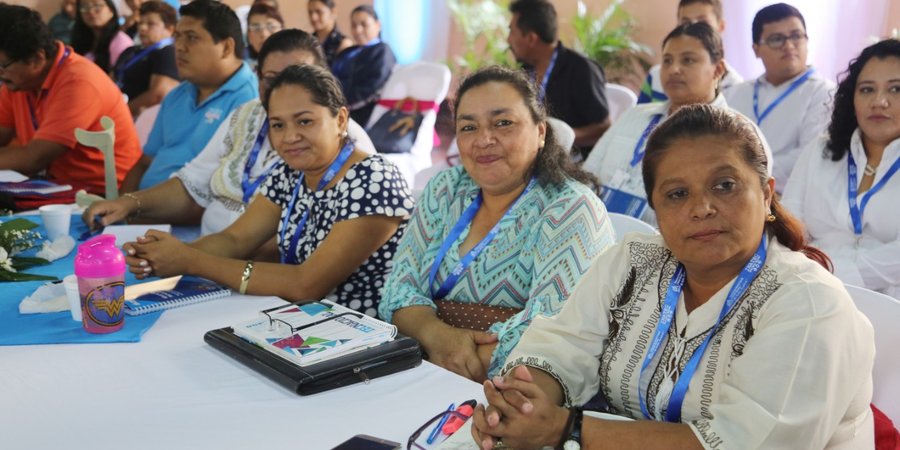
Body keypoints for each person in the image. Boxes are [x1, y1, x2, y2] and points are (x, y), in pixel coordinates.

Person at [472, 104, 875, 450]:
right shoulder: (633, 261)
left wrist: (567, 429)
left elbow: (744, 442)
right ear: (656, 210)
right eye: (677, 194)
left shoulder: (808, 304)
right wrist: (522, 407)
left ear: (767, 194)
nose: (701, 208)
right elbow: (563, 344)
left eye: (725, 185)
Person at [378, 66, 615, 382]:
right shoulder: (445, 189)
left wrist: (448, 359)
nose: (484, 140)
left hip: (515, 391)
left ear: (540, 133)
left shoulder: (570, 208)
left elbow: (551, 331)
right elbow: (397, 289)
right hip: (425, 366)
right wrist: (437, 336)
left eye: (503, 123)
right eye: (468, 127)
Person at [122, 64, 413, 315]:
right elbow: (235, 240)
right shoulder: (291, 172)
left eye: (304, 121)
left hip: (362, 333)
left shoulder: (374, 179)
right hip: (299, 319)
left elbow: (307, 284)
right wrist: (165, 254)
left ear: (340, 120)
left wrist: (190, 260)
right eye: (277, 125)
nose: (290, 137)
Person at [85, 29, 374, 237]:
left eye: (299, 75)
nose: (284, 90)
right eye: (272, 79)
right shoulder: (247, 115)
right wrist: (127, 204)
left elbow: (299, 259)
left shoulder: (347, 144)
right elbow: (193, 182)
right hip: (217, 253)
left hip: (257, 272)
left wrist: (193, 259)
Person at [584, 22, 757, 225]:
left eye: (688, 60)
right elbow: (587, 176)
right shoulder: (634, 115)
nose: (674, 69)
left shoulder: (735, 133)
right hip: (601, 230)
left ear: (717, 69)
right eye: (667, 61)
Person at [783, 39, 900, 300]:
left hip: (890, 301)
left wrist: (829, 270)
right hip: (811, 289)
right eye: (867, 90)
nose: (879, 101)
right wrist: (805, 270)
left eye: (896, 89)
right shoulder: (820, 150)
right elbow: (788, 224)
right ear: (852, 98)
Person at [0, 4, 141, 194]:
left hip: (103, 198)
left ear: (36, 59)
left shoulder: (78, 82)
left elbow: (35, 158)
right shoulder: (18, 81)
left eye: (2, 65)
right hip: (54, 188)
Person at [121, 0, 257, 192]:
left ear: (226, 47)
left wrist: (136, 207)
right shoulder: (176, 95)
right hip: (143, 212)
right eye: (178, 37)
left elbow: (219, 192)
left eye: (192, 38)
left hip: (187, 218)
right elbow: (144, 163)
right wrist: (120, 209)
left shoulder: (250, 101)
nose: (180, 47)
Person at [724, 3, 834, 192]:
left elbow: (809, 156)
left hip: (787, 197)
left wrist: (740, 173)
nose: (789, 46)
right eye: (776, 39)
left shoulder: (825, 92)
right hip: (730, 192)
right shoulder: (734, 93)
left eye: (796, 36)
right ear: (756, 49)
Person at [507, 0, 609, 159]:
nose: (508, 40)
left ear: (531, 38)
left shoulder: (581, 69)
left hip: (570, 160)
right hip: (531, 155)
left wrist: (560, 137)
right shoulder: (525, 68)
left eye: (512, 32)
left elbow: (604, 127)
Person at [637, 0, 743, 104]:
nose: (693, 28)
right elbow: (639, 117)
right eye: (685, 23)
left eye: (702, 23)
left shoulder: (736, 87)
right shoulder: (656, 76)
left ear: (721, 26)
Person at [332, 5, 396, 126]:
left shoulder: (382, 51)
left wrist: (342, 106)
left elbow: (373, 87)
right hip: (338, 110)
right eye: (354, 25)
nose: (358, 30)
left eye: (363, 24)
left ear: (378, 25)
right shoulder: (347, 52)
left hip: (363, 117)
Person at [113, 0, 180, 118]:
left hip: (137, 119)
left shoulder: (169, 52)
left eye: (151, 24)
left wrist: (121, 112)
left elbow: (159, 94)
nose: (142, 28)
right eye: (140, 23)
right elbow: (111, 79)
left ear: (170, 29)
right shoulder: (130, 51)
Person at [71, 0, 133, 73]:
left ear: (111, 10)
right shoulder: (82, 40)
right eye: (85, 7)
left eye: (97, 6)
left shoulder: (120, 41)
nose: (91, 11)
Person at [307, 0, 352, 67]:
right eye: (310, 12)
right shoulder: (307, 41)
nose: (313, 17)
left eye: (319, 12)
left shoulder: (343, 43)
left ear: (333, 12)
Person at [245, 3, 283, 70]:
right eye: (256, 28)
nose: (264, 34)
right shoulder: (242, 66)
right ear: (249, 35)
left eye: (271, 27)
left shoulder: (295, 61)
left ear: (282, 30)